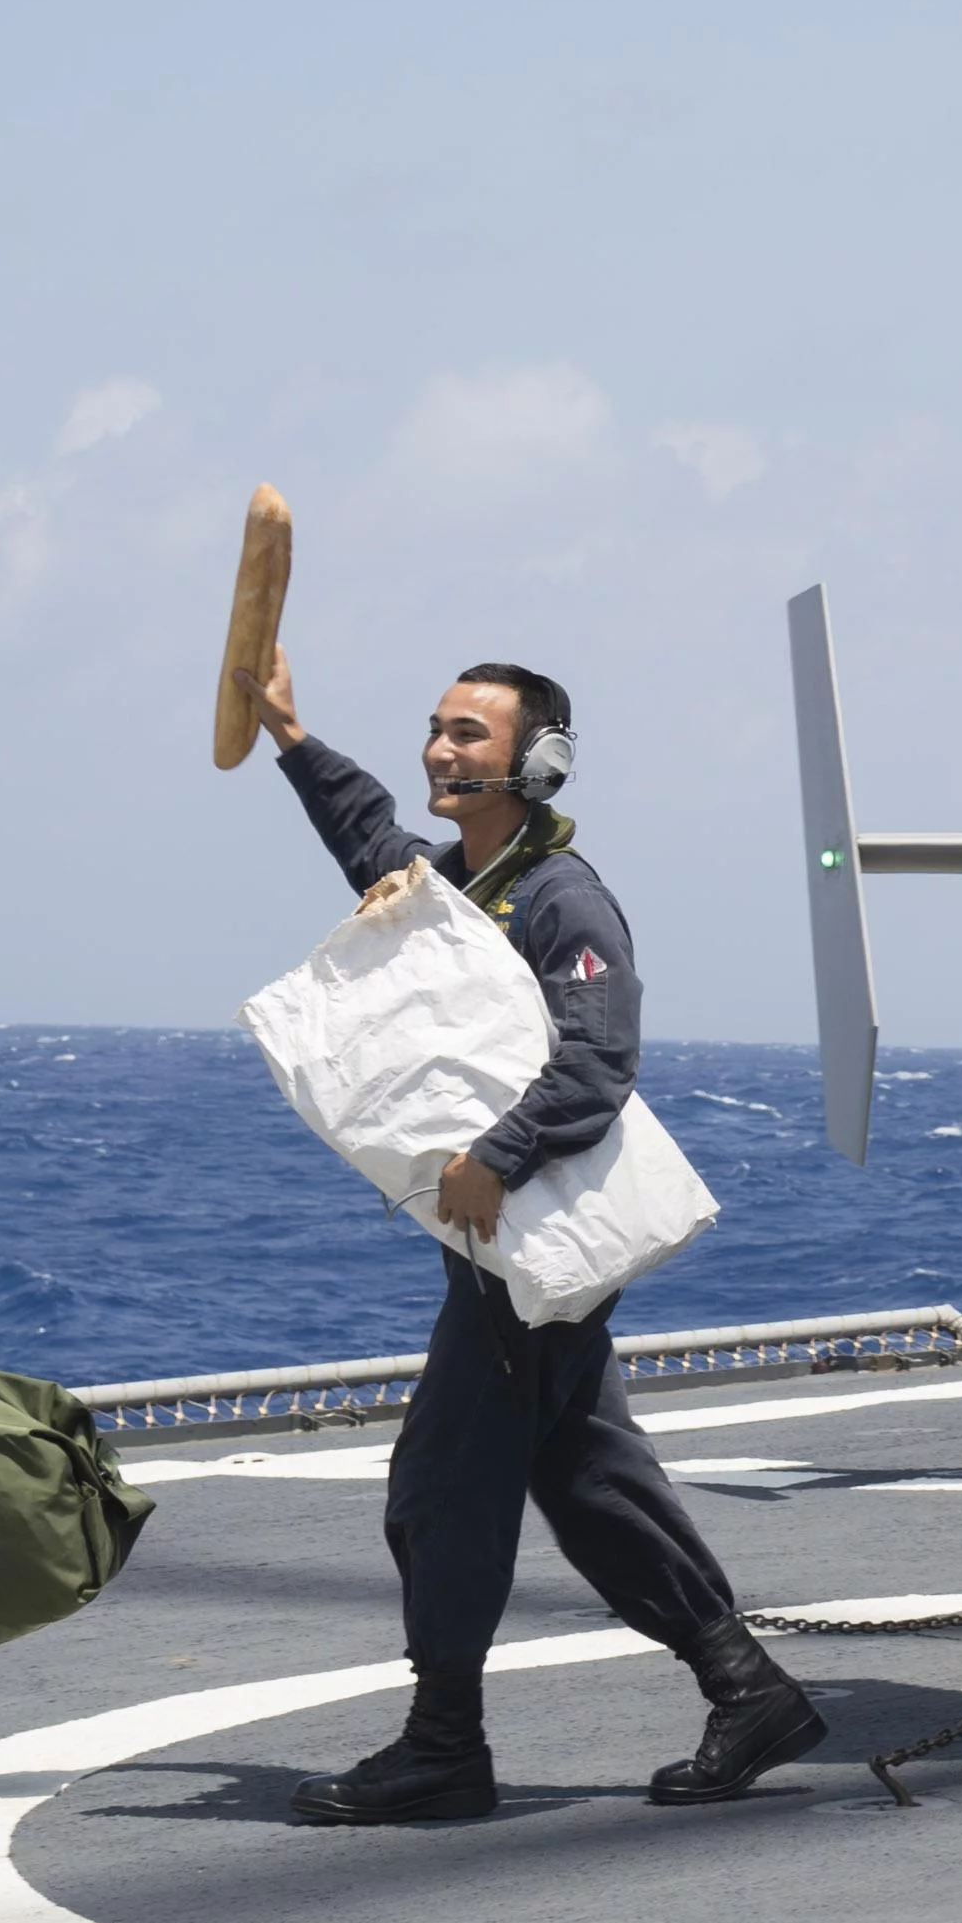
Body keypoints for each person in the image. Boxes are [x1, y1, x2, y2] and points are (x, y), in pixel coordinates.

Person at [234, 645, 822, 1822]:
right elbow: (374, 838)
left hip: (528, 1250)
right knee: (590, 1478)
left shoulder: (563, 899)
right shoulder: (459, 883)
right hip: (508, 1255)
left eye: (468, 734)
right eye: (436, 729)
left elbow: (599, 1063)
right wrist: (290, 737)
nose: (440, 751)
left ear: (536, 761)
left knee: (439, 1487)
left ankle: (444, 1747)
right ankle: (745, 1686)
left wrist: (493, 1157)